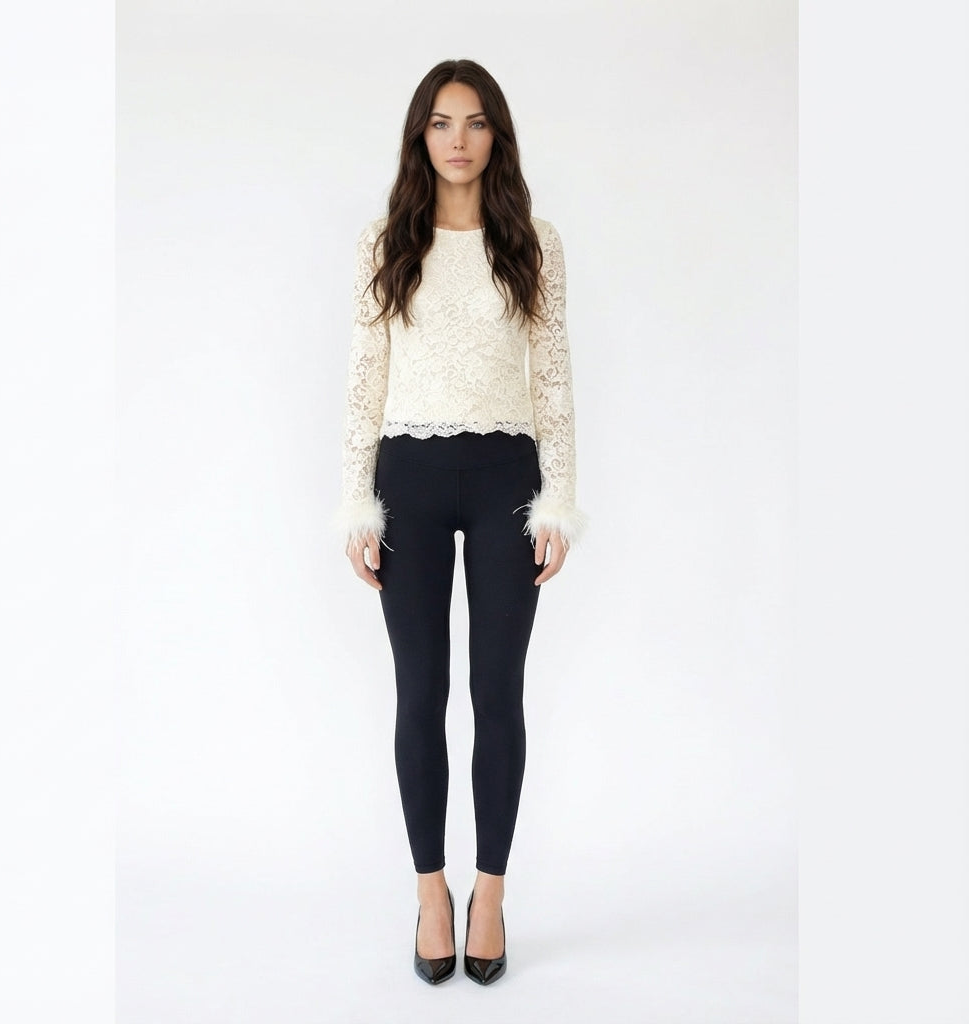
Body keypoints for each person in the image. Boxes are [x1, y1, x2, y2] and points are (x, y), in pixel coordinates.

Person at [333, 58, 586, 986]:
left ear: (496, 136)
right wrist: (356, 502)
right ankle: (430, 891)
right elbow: (365, 377)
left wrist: (559, 499)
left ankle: (492, 892)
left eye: (475, 122)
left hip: (504, 477)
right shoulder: (387, 241)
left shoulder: (533, 243)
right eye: (441, 123)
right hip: (407, 472)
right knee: (420, 691)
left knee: (497, 691)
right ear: (420, 136)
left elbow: (552, 376)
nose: (458, 140)